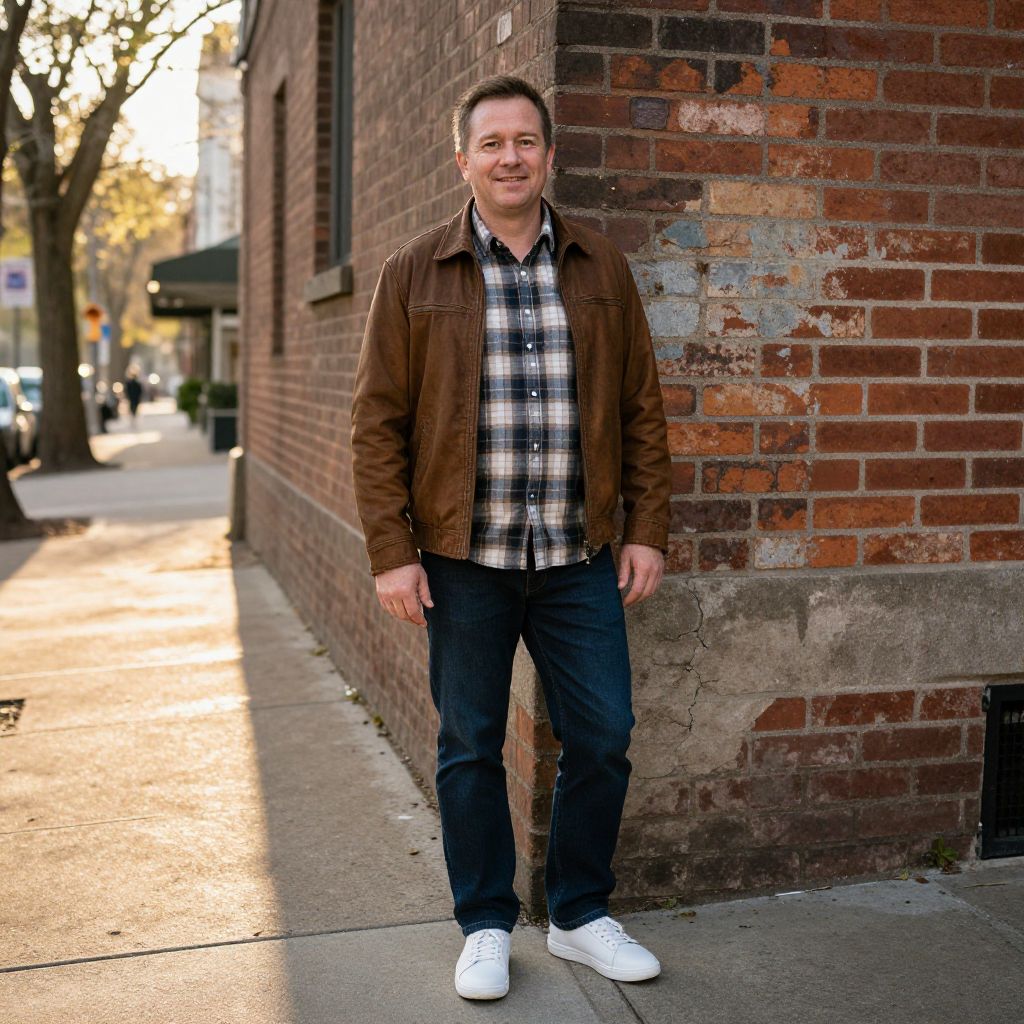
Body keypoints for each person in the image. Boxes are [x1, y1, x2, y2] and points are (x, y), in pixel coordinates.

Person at [351, 75, 671, 1001]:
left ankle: (576, 915)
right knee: (470, 745)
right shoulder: (415, 271)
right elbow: (377, 424)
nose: (510, 157)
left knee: (604, 733)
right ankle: (485, 923)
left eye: (525, 141)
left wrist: (644, 528)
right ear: (464, 160)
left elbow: (641, 411)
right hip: (462, 562)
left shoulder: (601, 268)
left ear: (549, 156)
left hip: (576, 558)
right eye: (491, 143)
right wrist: (391, 550)